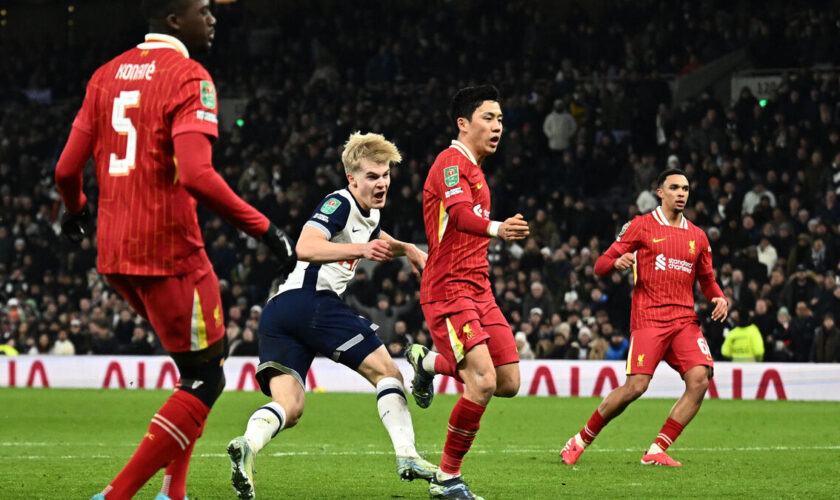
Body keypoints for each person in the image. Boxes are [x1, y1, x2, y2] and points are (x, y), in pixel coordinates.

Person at [53, 1, 295, 498]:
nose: (212, 18)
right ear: (173, 20)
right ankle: (117, 494)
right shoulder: (189, 77)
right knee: (207, 381)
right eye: (202, 10)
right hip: (171, 252)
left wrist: (76, 208)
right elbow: (197, 175)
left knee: (193, 374)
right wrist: (267, 230)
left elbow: (65, 170)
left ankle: (174, 493)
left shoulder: (103, 76)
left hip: (114, 252)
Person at [226, 132, 436, 499]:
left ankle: (247, 444)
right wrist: (362, 250)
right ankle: (408, 456)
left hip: (280, 312)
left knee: (290, 407)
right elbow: (305, 246)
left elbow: (374, 231)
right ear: (352, 179)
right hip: (311, 301)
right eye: (372, 176)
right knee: (388, 373)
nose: (382, 182)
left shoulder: (366, 211)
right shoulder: (338, 202)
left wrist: (410, 250)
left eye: (385, 174)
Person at [406, 85, 530, 499]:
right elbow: (458, 216)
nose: (498, 126)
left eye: (500, 119)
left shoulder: (477, 170)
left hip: (480, 289)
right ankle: (446, 479)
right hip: (448, 290)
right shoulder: (450, 162)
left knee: (508, 380)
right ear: (464, 123)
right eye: (489, 118)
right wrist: (498, 228)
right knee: (482, 381)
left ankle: (427, 363)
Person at [561, 168, 728, 467]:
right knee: (635, 387)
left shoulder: (698, 237)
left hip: (684, 321)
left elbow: (708, 280)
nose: (681, 193)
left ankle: (656, 449)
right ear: (660, 192)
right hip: (649, 318)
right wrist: (617, 262)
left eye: (685, 189)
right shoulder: (641, 226)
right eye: (674, 188)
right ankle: (579, 441)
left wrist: (719, 296)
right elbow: (600, 264)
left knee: (700, 379)